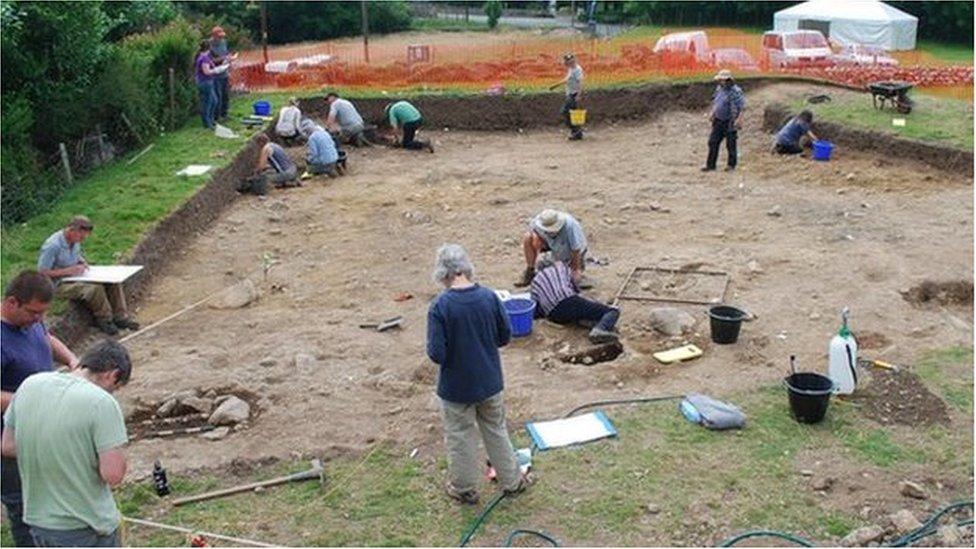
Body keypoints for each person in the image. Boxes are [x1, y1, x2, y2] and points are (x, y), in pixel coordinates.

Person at [426, 244, 531, 505]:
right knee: (496, 429)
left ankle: (463, 488)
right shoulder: (488, 297)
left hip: (456, 388)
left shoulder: (440, 306)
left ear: (442, 273)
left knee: (460, 435)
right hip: (490, 382)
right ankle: (512, 481)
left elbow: (436, 354)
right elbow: (504, 336)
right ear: (466, 267)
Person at [2, 340, 131, 548]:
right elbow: (113, 474)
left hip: (39, 522)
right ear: (113, 374)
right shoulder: (102, 403)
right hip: (85, 526)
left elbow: (7, 446)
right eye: (115, 388)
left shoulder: (29, 385)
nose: (112, 393)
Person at [1, 271, 80, 548]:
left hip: (41, 426)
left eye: (42, 314)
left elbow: (47, 338)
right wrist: (37, 397)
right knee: (22, 506)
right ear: (12, 302)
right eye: (34, 312)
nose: (38, 318)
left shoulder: (32, 322)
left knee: (51, 493)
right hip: (9, 439)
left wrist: (72, 361)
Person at [37, 216, 139, 336]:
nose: (82, 240)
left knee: (113, 282)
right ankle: (104, 319)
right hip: (58, 284)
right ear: (72, 230)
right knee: (93, 289)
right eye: (81, 236)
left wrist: (81, 261)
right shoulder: (52, 246)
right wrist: (68, 271)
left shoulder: (74, 240)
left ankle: (120, 317)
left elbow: (76, 255)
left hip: (74, 277)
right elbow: (42, 272)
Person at [530, 255, 619, 344]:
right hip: (566, 300)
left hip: (552, 315)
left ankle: (587, 322)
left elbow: (536, 308)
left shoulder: (535, 281)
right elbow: (576, 289)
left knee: (576, 312)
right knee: (612, 311)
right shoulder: (561, 268)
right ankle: (599, 329)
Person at [514, 209, 589, 289]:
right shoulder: (538, 222)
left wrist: (575, 269)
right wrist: (537, 239)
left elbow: (576, 249)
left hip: (571, 250)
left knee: (563, 281)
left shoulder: (570, 226)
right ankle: (530, 272)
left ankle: (572, 272)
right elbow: (533, 234)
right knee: (528, 237)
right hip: (552, 246)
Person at [702, 69, 746, 172]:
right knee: (713, 142)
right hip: (718, 120)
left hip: (730, 120)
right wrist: (713, 113)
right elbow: (716, 102)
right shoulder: (719, 89)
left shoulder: (735, 91)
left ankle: (731, 165)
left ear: (728, 80)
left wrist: (739, 120)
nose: (721, 82)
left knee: (730, 144)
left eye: (723, 80)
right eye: (720, 80)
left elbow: (742, 107)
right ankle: (710, 165)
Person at [549, 52, 585, 140]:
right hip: (571, 94)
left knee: (566, 112)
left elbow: (580, 83)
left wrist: (579, 95)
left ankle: (576, 131)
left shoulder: (577, 69)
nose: (567, 63)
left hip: (573, 94)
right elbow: (566, 80)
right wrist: (555, 85)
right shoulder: (571, 69)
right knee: (571, 113)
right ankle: (576, 132)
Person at [194, 40, 227, 130]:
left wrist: (223, 65)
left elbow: (211, 66)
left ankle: (211, 120)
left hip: (209, 81)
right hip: (204, 82)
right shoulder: (204, 58)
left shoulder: (206, 57)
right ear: (209, 48)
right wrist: (217, 70)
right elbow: (206, 71)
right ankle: (207, 123)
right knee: (207, 103)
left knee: (214, 101)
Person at [209, 26, 238, 121]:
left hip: (224, 72)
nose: (221, 38)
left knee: (225, 95)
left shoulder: (224, 42)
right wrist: (223, 58)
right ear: (213, 36)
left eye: (222, 36)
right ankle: (216, 117)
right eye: (219, 36)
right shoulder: (209, 45)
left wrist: (230, 59)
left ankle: (225, 114)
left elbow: (226, 53)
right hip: (215, 74)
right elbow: (209, 60)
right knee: (217, 97)